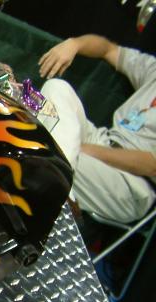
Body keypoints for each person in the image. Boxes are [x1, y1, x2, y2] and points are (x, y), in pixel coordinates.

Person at [38, 34, 156, 223]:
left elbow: (151, 166)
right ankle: (61, 179)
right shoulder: (153, 70)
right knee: (57, 87)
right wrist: (75, 44)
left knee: (43, 149)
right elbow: (108, 48)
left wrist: (84, 149)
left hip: (133, 182)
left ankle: (58, 178)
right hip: (103, 140)